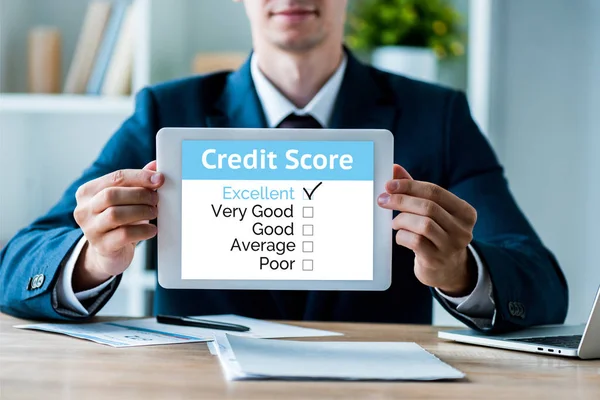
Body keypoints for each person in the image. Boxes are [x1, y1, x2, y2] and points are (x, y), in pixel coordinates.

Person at [0, 0, 567, 331]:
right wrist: (95, 257)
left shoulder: (435, 115)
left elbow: (541, 282)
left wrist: (461, 271)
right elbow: (16, 264)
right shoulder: (168, 111)